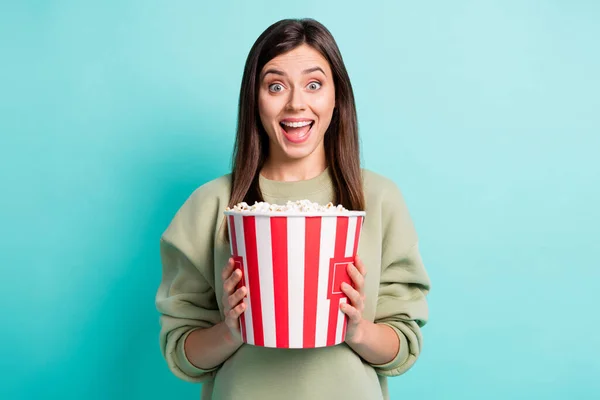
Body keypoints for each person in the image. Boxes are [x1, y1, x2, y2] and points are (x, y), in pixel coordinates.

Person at [155, 18, 431, 400]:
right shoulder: (212, 205)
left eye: (314, 84)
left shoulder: (379, 200)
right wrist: (231, 330)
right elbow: (182, 353)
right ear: (255, 98)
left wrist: (357, 330)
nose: (296, 103)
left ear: (338, 97)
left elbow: (403, 344)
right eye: (276, 85)